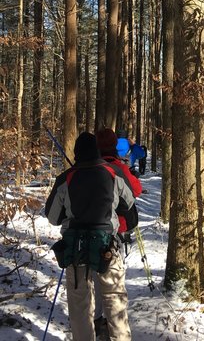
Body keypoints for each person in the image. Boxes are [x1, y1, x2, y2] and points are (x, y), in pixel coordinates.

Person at [45, 132, 133, 341]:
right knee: (115, 300)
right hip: (107, 247)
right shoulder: (113, 173)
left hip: (75, 249)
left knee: (80, 305)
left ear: (76, 154)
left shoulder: (66, 178)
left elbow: (53, 216)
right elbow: (128, 204)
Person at [93, 128, 143, 333]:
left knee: (96, 274)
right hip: (117, 228)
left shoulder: (87, 167)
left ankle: (97, 318)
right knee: (113, 276)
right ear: (115, 144)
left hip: (91, 228)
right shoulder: (118, 167)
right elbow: (136, 191)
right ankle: (114, 324)